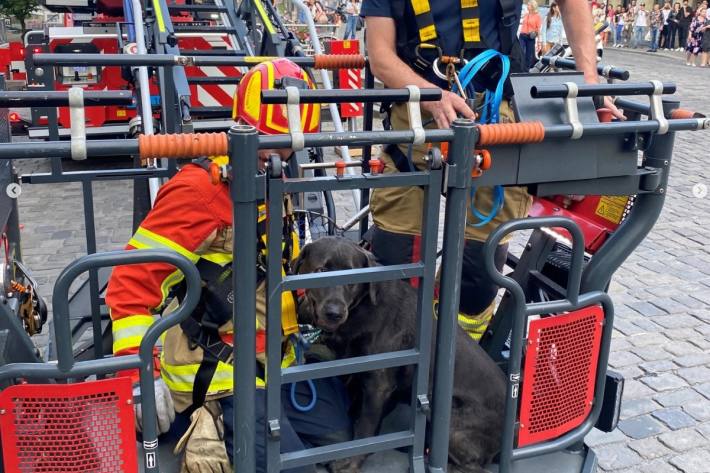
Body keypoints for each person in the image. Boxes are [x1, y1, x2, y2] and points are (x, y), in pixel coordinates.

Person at [105, 59, 352, 473]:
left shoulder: (271, 177)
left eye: (290, 144)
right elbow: (130, 283)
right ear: (241, 125)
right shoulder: (198, 191)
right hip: (221, 374)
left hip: (276, 361)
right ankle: (212, 423)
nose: (281, 155)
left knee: (340, 441)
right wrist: (138, 377)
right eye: (269, 143)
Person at [360, 0, 623, 342]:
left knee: (479, 270)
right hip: (415, 121)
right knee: (396, 255)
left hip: (495, 120)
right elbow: (380, 56)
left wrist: (590, 84)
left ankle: (460, 353)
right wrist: (432, 95)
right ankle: (399, 349)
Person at [520, 0, 543, 69]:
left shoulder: (537, 16)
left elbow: (538, 30)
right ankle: (520, 67)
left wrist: (539, 41)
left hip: (530, 37)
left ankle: (526, 69)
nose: (527, 6)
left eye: (529, 5)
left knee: (528, 54)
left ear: (533, 6)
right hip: (522, 35)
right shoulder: (526, 14)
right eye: (527, 5)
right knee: (521, 52)